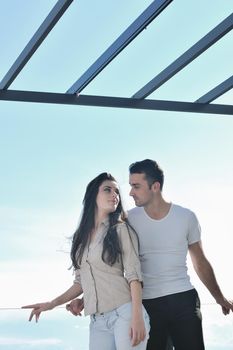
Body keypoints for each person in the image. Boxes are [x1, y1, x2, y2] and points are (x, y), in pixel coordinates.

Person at [67, 160, 233, 350]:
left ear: (155, 186)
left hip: (183, 300)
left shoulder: (186, 217)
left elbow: (200, 262)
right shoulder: (127, 220)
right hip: (147, 304)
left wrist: (219, 297)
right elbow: (111, 267)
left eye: (136, 186)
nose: (129, 192)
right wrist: (88, 298)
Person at [22, 172, 150, 350]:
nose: (115, 195)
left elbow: (134, 276)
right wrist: (51, 304)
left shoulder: (121, 230)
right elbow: (81, 282)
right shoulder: (80, 240)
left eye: (116, 191)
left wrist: (137, 317)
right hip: (97, 321)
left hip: (125, 313)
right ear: (93, 196)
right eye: (107, 190)